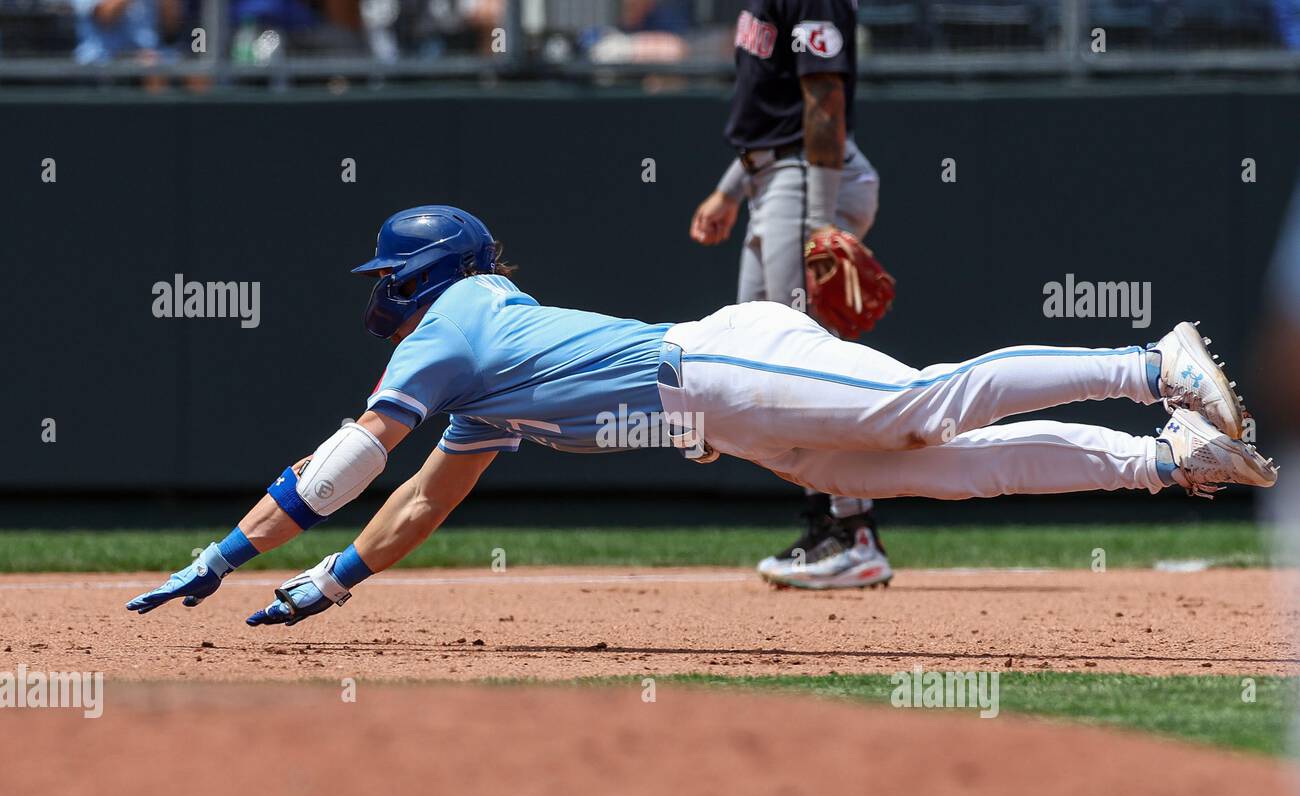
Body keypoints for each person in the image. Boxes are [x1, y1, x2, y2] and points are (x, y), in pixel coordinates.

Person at [125, 205, 1278, 626]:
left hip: (722, 367)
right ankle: (1172, 460)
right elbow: (423, 493)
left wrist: (227, 551)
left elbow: (357, 455)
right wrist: (326, 584)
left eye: (389, 275)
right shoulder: (479, 381)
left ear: (429, 275)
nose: (381, 294)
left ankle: (1149, 361)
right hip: (737, 425)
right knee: (950, 468)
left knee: (924, 399)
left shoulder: (460, 315)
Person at [690, 0, 894, 590]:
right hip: (771, 175)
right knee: (760, 355)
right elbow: (772, 112)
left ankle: (853, 531)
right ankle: (831, 524)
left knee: (799, 362)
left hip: (807, 179)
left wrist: (817, 227)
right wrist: (731, 191)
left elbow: (825, 101)